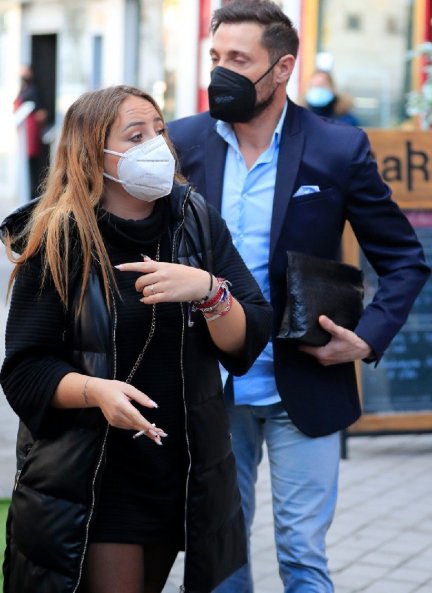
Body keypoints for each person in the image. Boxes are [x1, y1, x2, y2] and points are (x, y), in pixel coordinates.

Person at [167, 1, 431, 592]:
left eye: (239, 59)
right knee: (218, 561)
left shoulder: (338, 149)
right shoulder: (182, 142)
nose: (221, 72)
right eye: (216, 57)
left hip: (305, 381)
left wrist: (366, 341)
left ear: (282, 68)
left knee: (303, 558)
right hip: (212, 384)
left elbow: (405, 260)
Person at [0, 85, 273, 593]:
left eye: (159, 130)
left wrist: (210, 291)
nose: (157, 145)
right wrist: (96, 391)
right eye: (136, 135)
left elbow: (247, 338)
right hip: (95, 474)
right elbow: (25, 370)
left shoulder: (194, 220)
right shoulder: (59, 237)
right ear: (92, 154)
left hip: (175, 469)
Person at [13, 65, 48, 199]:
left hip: (31, 136)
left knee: (34, 167)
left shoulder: (33, 90)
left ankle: (33, 195)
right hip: (23, 136)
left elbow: (42, 113)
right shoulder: (23, 89)